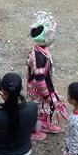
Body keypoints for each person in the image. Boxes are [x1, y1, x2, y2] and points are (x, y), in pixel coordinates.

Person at [25, 11, 66, 141]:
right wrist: (46, 94)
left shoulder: (39, 50)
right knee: (39, 106)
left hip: (43, 83)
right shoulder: (39, 56)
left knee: (44, 106)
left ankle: (44, 123)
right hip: (38, 87)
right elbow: (39, 79)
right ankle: (35, 130)